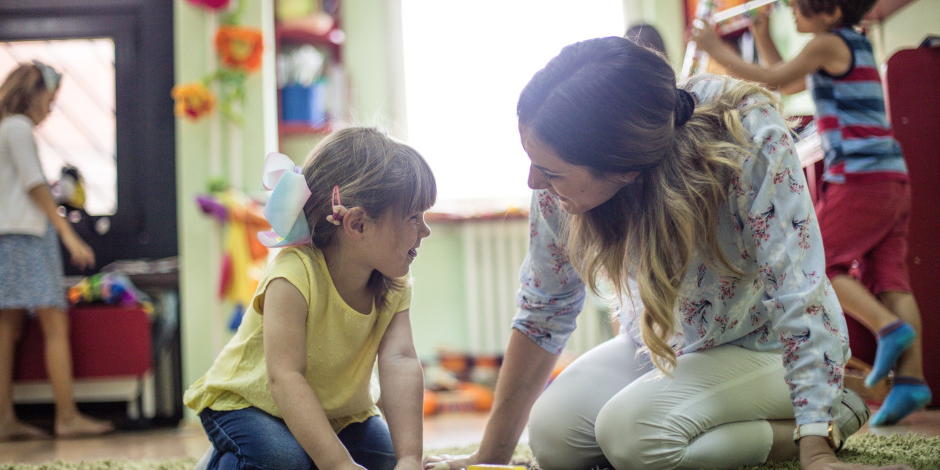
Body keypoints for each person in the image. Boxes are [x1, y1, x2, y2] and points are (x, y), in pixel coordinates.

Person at [422, 36, 917, 470]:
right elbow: (542, 311)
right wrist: (488, 458)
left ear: (625, 171)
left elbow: (800, 293)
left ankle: (834, 410)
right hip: (673, 345)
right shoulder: (559, 171)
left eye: (549, 172)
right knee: (554, 439)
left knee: (631, 438)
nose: (535, 183)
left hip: (765, 349)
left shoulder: (747, 132)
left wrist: (816, 450)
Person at [690, 0, 931, 426]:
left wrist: (714, 46)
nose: (793, 6)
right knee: (891, 278)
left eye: (803, 0)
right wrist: (760, 36)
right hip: (891, 179)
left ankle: (889, 329)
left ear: (830, 11)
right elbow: (791, 79)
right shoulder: (848, 43)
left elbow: (771, 81)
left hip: (860, 180)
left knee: (821, 265)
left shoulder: (826, 43)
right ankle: (912, 380)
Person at [184, 127, 435, 470]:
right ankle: (218, 463)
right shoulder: (293, 274)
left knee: (388, 462)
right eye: (413, 217)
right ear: (358, 224)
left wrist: (409, 458)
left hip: (337, 414)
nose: (425, 230)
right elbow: (284, 378)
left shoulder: (394, 282)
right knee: (285, 462)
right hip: (250, 405)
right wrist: (337, 464)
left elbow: (401, 360)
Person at [0, 61, 114, 440]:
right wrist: (67, 233)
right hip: (27, 238)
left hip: (10, 236)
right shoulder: (17, 127)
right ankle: (67, 416)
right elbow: (33, 186)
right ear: (31, 93)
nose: (50, 108)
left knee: (8, 327)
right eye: (49, 100)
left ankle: (5, 419)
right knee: (54, 324)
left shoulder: (6, 129)